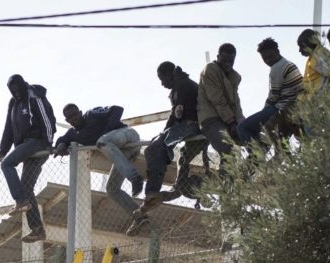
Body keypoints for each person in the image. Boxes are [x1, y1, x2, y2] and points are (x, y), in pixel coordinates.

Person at [53, 103, 148, 236]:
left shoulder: (91, 114)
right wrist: (61, 145)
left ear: (80, 112)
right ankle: (140, 217)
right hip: (122, 152)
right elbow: (63, 139)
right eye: (70, 117)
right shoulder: (73, 134)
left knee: (101, 142)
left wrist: (107, 131)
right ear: (67, 121)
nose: (73, 118)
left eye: (75, 114)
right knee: (112, 189)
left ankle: (134, 178)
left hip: (125, 135)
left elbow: (117, 109)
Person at [0, 74, 56, 244]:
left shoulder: (34, 95)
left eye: (17, 89)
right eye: (12, 90)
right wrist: (2, 150)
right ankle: (37, 230)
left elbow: (47, 119)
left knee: (8, 164)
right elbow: (9, 127)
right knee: (27, 187)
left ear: (23, 86)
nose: (16, 93)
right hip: (24, 146)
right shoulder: (13, 103)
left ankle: (20, 201)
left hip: (38, 142)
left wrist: (48, 143)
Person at [138, 61, 201, 214]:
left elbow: (177, 114)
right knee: (156, 146)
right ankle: (154, 191)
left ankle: (152, 192)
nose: (162, 83)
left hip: (190, 125)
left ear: (168, 75)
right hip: (190, 125)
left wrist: (164, 137)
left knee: (154, 149)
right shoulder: (182, 84)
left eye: (162, 79)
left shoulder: (181, 85)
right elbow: (176, 115)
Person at [237, 38, 303, 150]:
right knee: (262, 125)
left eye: (270, 57)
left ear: (277, 51)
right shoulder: (289, 64)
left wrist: (264, 111)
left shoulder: (277, 67)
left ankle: (257, 154)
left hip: (282, 107)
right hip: (292, 105)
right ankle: (265, 149)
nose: (268, 61)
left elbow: (274, 96)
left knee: (243, 127)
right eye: (264, 59)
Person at [197, 43, 246, 161]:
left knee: (256, 141)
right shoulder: (210, 69)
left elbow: (236, 101)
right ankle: (227, 179)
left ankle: (246, 174)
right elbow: (216, 98)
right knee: (228, 152)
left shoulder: (234, 76)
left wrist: (240, 120)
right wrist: (231, 121)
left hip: (230, 119)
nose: (228, 64)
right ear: (218, 56)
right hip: (211, 119)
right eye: (224, 60)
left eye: (231, 61)